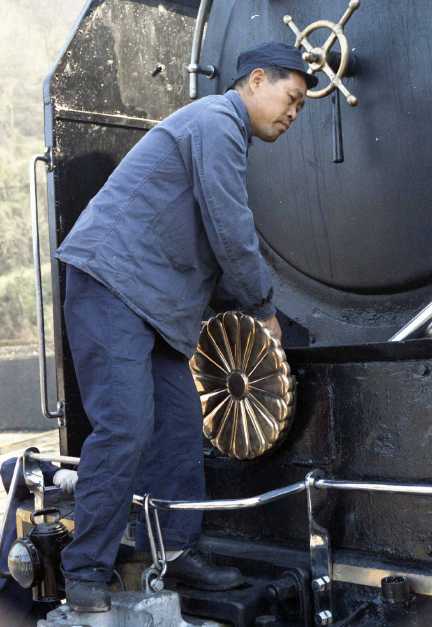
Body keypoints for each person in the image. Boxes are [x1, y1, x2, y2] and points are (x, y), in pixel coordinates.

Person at [55, 41, 316, 612]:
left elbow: (206, 249)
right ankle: (86, 570)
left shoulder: (221, 132)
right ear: (256, 81)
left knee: (177, 430)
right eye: (292, 97)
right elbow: (229, 225)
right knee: (125, 426)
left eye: (301, 105)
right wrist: (263, 308)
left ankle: (174, 553)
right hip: (113, 284)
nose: (294, 112)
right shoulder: (217, 122)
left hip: (158, 305)